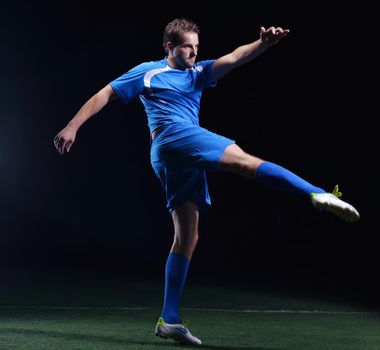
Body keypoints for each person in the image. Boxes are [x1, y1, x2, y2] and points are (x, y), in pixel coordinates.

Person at [54, 18, 360, 345]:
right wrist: (73, 126)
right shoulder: (149, 71)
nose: (194, 52)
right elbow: (106, 93)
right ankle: (316, 193)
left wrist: (263, 45)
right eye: (187, 46)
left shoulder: (199, 73)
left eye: (197, 47)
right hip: (174, 138)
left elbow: (233, 58)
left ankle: (169, 319)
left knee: (187, 235)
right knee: (244, 161)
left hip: (170, 157)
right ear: (169, 47)